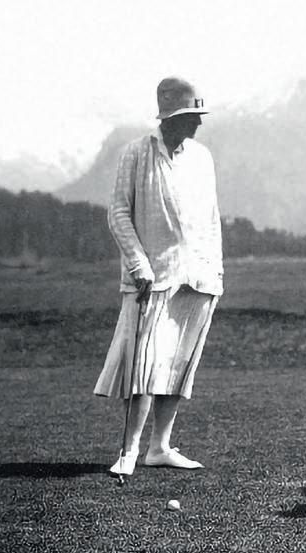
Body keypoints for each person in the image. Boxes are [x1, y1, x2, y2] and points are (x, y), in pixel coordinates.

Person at [94, 77, 223, 479]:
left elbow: (211, 219)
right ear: (170, 118)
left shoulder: (202, 157)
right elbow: (118, 213)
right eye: (191, 116)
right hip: (152, 277)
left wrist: (215, 269)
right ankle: (129, 450)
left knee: (178, 364)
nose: (198, 123)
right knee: (144, 366)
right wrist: (139, 265)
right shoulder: (136, 152)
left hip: (198, 276)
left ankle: (159, 447)